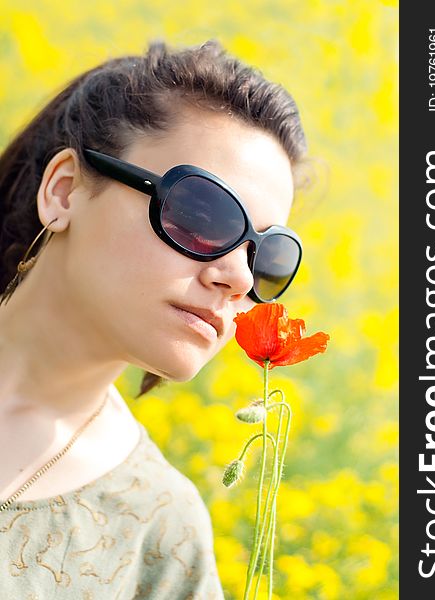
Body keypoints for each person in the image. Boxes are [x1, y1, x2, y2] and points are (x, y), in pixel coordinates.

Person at [0, 38, 308, 598]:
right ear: (65, 191)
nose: (238, 278)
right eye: (200, 213)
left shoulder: (160, 535)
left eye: (265, 256)